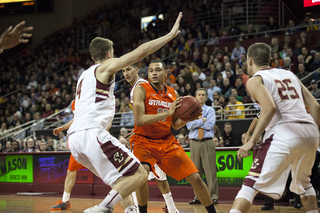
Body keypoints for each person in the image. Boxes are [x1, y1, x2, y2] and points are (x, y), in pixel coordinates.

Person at [67, 12, 184, 213]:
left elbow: (81, 109)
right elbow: (140, 52)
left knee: (122, 180)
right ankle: (101, 208)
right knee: (139, 174)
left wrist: (65, 126)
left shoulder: (83, 77)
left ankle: (131, 211)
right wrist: (170, 35)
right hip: (92, 134)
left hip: (75, 139)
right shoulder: (106, 66)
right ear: (109, 53)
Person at [230, 42, 320, 213]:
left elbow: (269, 107)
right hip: (310, 130)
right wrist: (312, 137)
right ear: (269, 59)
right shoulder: (289, 74)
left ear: (249, 60)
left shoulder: (254, 81)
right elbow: (315, 106)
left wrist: (250, 141)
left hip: (284, 131)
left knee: (250, 184)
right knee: (304, 183)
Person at [131, 60, 216, 213]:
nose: (154, 73)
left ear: (166, 73)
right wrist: (167, 113)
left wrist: (190, 118)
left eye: (158, 70)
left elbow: (175, 124)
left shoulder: (173, 93)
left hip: (166, 141)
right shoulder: (141, 89)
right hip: (143, 141)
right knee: (141, 175)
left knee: (196, 178)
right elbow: (139, 120)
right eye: (151, 70)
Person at [122, 63, 179, 213]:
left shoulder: (142, 86)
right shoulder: (139, 86)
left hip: (153, 139)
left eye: (128, 69)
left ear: (137, 70)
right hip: (150, 135)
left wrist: (142, 130)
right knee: (159, 177)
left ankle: (137, 208)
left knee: (139, 176)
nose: (126, 73)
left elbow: (147, 114)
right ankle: (171, 208)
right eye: (123, 71)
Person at [186, 88, 219, 205]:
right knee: (196, 173)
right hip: (194, 143)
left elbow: (210, 125)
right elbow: (189, 126)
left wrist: (197, 122)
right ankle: (198, 197)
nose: (201, 97)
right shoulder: (190, 110)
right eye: (199, 94)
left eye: (203, 95)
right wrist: (202, 121)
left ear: (206, 97)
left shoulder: (210, 110)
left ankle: (213, 196)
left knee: (210, 171)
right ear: (195, 97)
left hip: (207, 141)